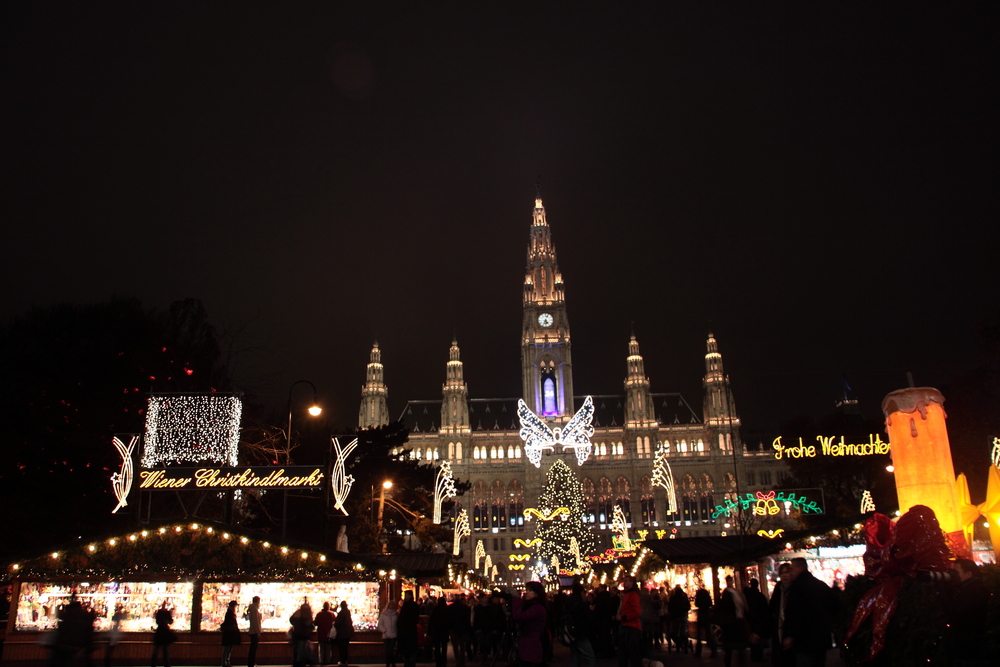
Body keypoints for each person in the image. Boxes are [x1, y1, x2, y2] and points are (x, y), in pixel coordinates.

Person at [782, 558, 836, 667]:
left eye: (791, 569)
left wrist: (791, 635)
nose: (790, 573)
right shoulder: (820, 585)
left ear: (798, 568)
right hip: (821, 638)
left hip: (804, 641)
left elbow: (796, 614)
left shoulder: (797, 588)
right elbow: (835, 606)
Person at [946, 558, 992, 664]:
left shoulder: (974, 592)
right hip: (969, 649)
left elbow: (957, 614)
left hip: (969, 650)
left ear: (968, 574)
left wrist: (943, 593)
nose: (953, 576)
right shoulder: (967, 589)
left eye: (957, 572)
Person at [511, 582, 548, 667]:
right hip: (526, 645)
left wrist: (516, 598)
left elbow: (519, 616)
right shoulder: (530, 606)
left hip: (531, 647)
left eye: (530, 590)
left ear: (537, 594)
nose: (527, 592)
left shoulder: (537, 608)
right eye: (527, 590)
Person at [717, 576, 748, 667]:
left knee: (735, 648)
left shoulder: (733, 592)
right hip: (732, 623)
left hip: (735, 622)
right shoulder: (730, 593)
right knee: (733, 649)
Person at [768, 563, 792, 667]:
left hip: (791, 631)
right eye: (782, 573)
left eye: (787, 572)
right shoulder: (778, 589)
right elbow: (771, 609)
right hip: (779, 630)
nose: (784, 575)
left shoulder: (796, 589)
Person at [566, 583, 596, 667]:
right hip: (580, 632)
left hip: (571, 633)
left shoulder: (569, 602)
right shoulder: (581, 603)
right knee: (590, 657)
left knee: (575, 657)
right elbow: (588, 617)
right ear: (581, 592)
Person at [616, 576, 642, 667]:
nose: (624, 582)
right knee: (625, 654)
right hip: (627, 627)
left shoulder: (633, 595)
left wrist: (623, 617)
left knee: (632, 655)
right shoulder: (628, 594)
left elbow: (637, 612)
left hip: (631, 627)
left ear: (631, 583)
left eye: (626, 581)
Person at [744, 579, 768, 664]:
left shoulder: (747, 596)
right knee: (758, 638)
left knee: (752, 637)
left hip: (750, 619)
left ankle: (754, 655)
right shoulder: (760, 596)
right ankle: (758, 656)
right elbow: (765, 609)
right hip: (759, 619)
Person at [446, 594, 471, 667]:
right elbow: (467, 619)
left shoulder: (450, 607)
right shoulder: (465, 608)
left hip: (454, 629)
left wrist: (449, 627)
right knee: (462, 645)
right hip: (463, 628)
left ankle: (457, 660)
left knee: (455, 646)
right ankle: (462, 661)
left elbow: (449, 619)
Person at [397, 591, 420, 667]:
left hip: (406, 631)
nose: (405, 597)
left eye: (406, 595)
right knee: (412, 651)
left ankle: (408, 664)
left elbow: (401, 619)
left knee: (406, 651)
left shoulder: (406, 606)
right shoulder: (415, 605)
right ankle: (411, 664)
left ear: (409, 596)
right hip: (412, 630)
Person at [666, 584, 691, 653]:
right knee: (684, 631)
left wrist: (672, 613)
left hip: (675, 616)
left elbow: (670, 607)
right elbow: (688, 606)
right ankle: (685, 647)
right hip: (683, 615)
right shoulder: (684, 597)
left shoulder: (673, 598)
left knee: (676, 631)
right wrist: (685, 610)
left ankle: (678, 646)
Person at [427, 597, 450, 667]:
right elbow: (449, 620)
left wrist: (429, 632)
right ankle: (444, 661)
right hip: (444, 631)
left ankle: (438, 661)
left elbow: (431, 621)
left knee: (437, 647)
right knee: (444, 647)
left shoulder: (435, 609)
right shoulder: (447, 609)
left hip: (436, 631)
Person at [290, 602, 315, 667]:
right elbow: (310, 625)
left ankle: (297, 663)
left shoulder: (297, 613)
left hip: (297, 636)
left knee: (298, 652)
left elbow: (291, 620)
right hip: (304, 637)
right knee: (303, 653)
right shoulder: (307, 615)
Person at [151, 601, 175, 667]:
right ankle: (166, 664)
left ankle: (154, 663)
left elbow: (157, 622)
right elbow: (170, 621)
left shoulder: (159, 612)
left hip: (159, 632)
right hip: (165, 632)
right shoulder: (167, 613)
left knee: (156, 649)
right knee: (165, 650)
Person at [377, 599, 399, 667]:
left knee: (390, 649)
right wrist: (384, 631)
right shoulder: (384, 614)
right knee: (387, 650)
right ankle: (390, 663)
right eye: (390, 605)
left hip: (393, 634)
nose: (391, 606)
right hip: (386, 635)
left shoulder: (396, 614)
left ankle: (390, 663)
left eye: (393, 605)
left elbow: (398, 624)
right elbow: (380, 624)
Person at [334, 601, 355, 667]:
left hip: (342, 633)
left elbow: (337, 623)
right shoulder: (347, 612)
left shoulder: (341, 613)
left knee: (342, 648)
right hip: (347, 633)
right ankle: (345, 660)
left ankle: (343, 661)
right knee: (345, 647)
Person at [221, 600, 242, 667]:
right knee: (227, 649)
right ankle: (225, 663)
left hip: (229, 634)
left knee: (228, 649)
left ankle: (226, 662)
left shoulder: (230, 613)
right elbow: (230, 623)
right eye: (235, 606)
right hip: (229, 634)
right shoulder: (230, 614)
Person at [246, 597, 262, 667]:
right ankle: (251, 663)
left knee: (252, 648)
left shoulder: (252, 608)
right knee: (253, 648)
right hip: (254, 632)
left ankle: (251, 662)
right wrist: (258, 631)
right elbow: (256, 622)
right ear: (258, 601)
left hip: (252, 631)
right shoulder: (255, 609)